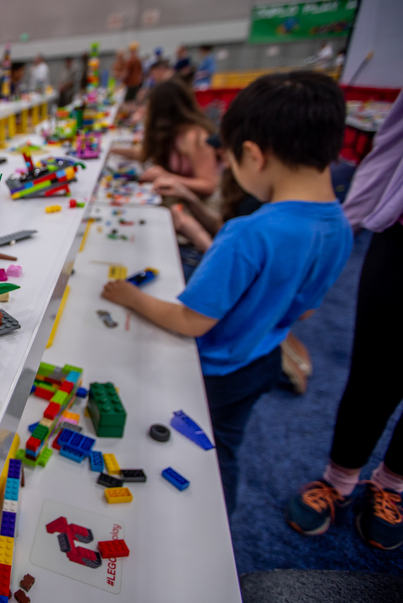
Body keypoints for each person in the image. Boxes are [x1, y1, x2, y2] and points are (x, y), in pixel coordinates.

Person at [102, 71, 353, 515]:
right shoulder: (340, 227)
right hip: (262, 360)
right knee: (225, 451)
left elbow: (191, 320)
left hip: (213, 371)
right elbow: (307, 312)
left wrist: (130, 296)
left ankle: (192, 523)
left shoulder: (248, 233)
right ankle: (220, 518)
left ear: (253, 155)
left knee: (184, 449)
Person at [285, 92, 403, 549]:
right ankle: (340, 477)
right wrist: (339, 232)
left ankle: (392, 483)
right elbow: (389, 150)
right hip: (399, 243)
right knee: (376, 368)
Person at [112, 78, 220, 198]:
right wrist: (110, 149)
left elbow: (209, 185)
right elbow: (144, 153)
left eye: (149, 109)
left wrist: (167, 176)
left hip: (194, 204)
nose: (146, 113)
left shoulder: (194, 136)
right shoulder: (173, 132)